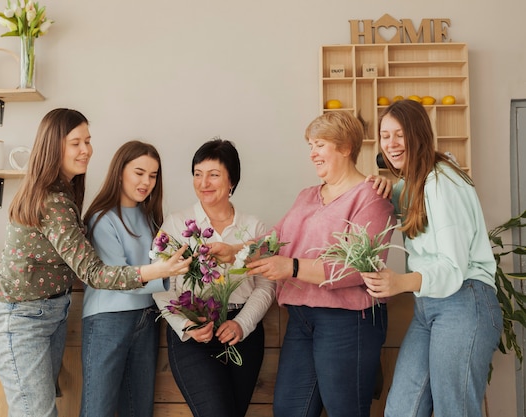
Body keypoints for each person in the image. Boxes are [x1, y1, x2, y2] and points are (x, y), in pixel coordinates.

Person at [0, 109, 189, 417]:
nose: (86, 151)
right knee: (36, 413)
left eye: (88, 141)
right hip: (21, 315)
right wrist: (157, 272)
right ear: (53, 146)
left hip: (51, 312)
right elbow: (92, 272)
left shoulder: (65, 192)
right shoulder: (52, 200)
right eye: (76, 143)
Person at [210, 111, 395, 417]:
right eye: (310, 145)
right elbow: (275, 240)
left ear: (346, 147)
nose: (312, 153)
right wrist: (235, 252)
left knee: (344, 410)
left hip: (348, 321)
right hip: (302, 319)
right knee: (289, 410)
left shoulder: (371, 198)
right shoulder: (307, 196)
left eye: (319, 144)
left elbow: (357, 267)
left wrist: (292, 267)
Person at [361, 99, 501, 417]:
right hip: (429, 307)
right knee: (401, 410)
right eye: (385, 135)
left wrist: (398, 282)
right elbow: (394, 204)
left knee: (455, 410)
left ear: (418, 134)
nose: (391, 143)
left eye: (400, 134)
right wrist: (387, 186)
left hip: (465, 301)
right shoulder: (411, 185)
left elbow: (452, 267)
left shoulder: (442, 181)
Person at [153, 138, 276, 417]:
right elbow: (160, 285)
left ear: (231, 180)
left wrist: (242, 324)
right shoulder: (175, 223)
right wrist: (185, 325)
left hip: (242, 333)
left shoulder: (253, 227)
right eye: (198, 174)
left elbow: (266, 284)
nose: (203, 182)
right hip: (194, 330)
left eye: (213, 175)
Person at [79, 140, 166, 417]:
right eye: (139, 173)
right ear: (120, 172)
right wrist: (165, 274)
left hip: (147, 318)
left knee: (139, 410)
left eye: (152, 176)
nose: (146, 182)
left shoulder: (150, 217)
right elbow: (118, 277)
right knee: (98, 410)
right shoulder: (101, 218)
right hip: (108, 320)